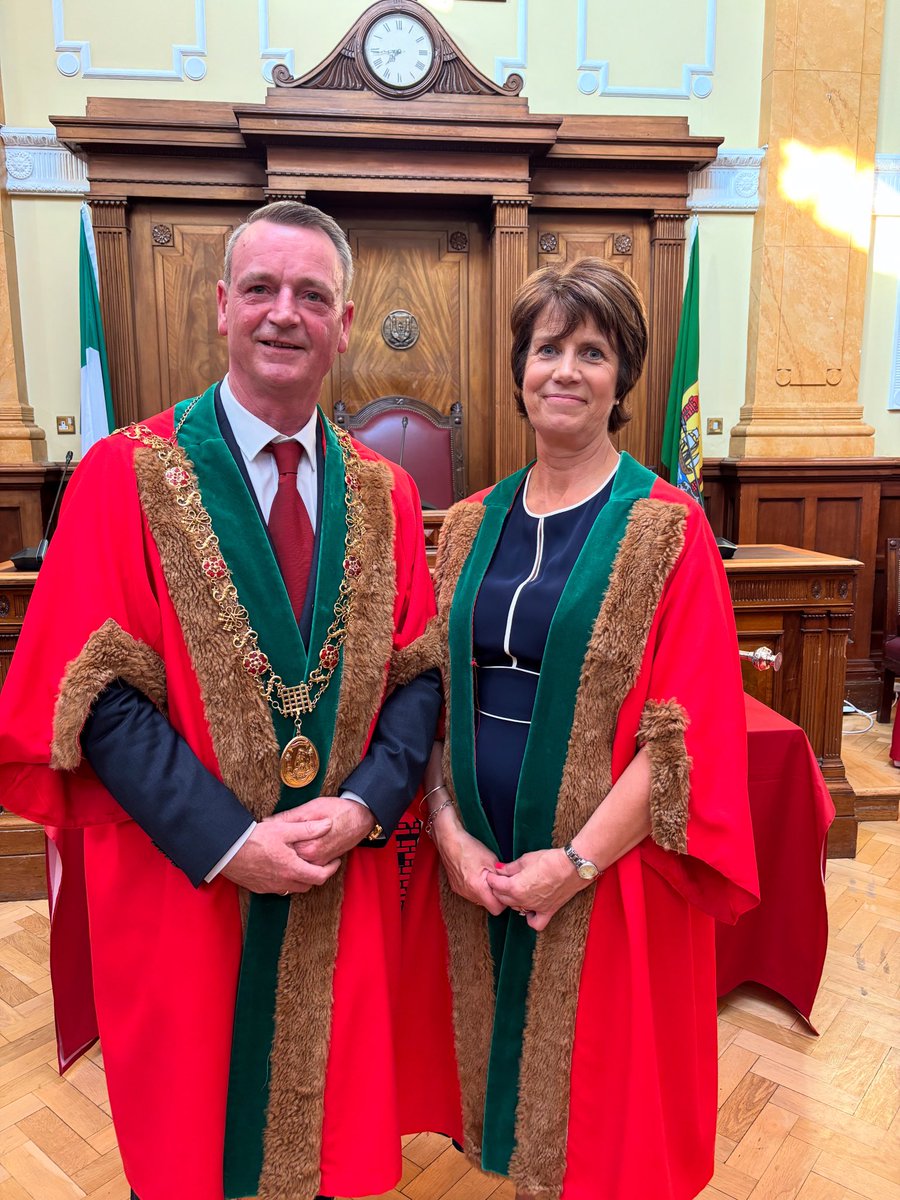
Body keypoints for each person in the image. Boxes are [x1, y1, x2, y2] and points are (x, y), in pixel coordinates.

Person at [0, 201, 441, 1200]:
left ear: (344, 319)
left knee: (331, 1143)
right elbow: (94, 693)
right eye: (261, 289)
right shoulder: (128, 475)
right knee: (197, 1147)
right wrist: (229, 842)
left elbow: (420, 677)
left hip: (340, 871)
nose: (284, 314)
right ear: (221, 307)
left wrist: (368, 802)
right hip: (185, 883)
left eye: (311, 296)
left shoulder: (387, 493)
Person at [394, 257, 759, 1200]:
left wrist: (580, 862)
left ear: (622, 378)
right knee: (506, 1104)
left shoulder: (668, 528)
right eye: (547, 347)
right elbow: (431, 686)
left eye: (590, 351)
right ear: (519, 370)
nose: (565, 369)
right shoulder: (467, 524)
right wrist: (448, 834)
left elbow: (681, 739)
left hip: (607, 870)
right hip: (479, 860)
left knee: (603, 1116)